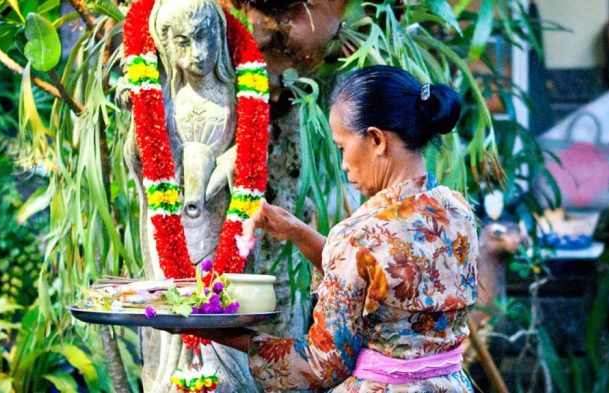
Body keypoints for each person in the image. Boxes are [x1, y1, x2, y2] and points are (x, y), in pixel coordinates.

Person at [165, 65, 478, 392]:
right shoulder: (458, 210)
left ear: (376, 139)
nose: (343, 163)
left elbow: (318, 365)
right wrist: (296, 231)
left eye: (343, 147)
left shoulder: (361, 234)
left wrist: (213, 330)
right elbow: (381, 279)